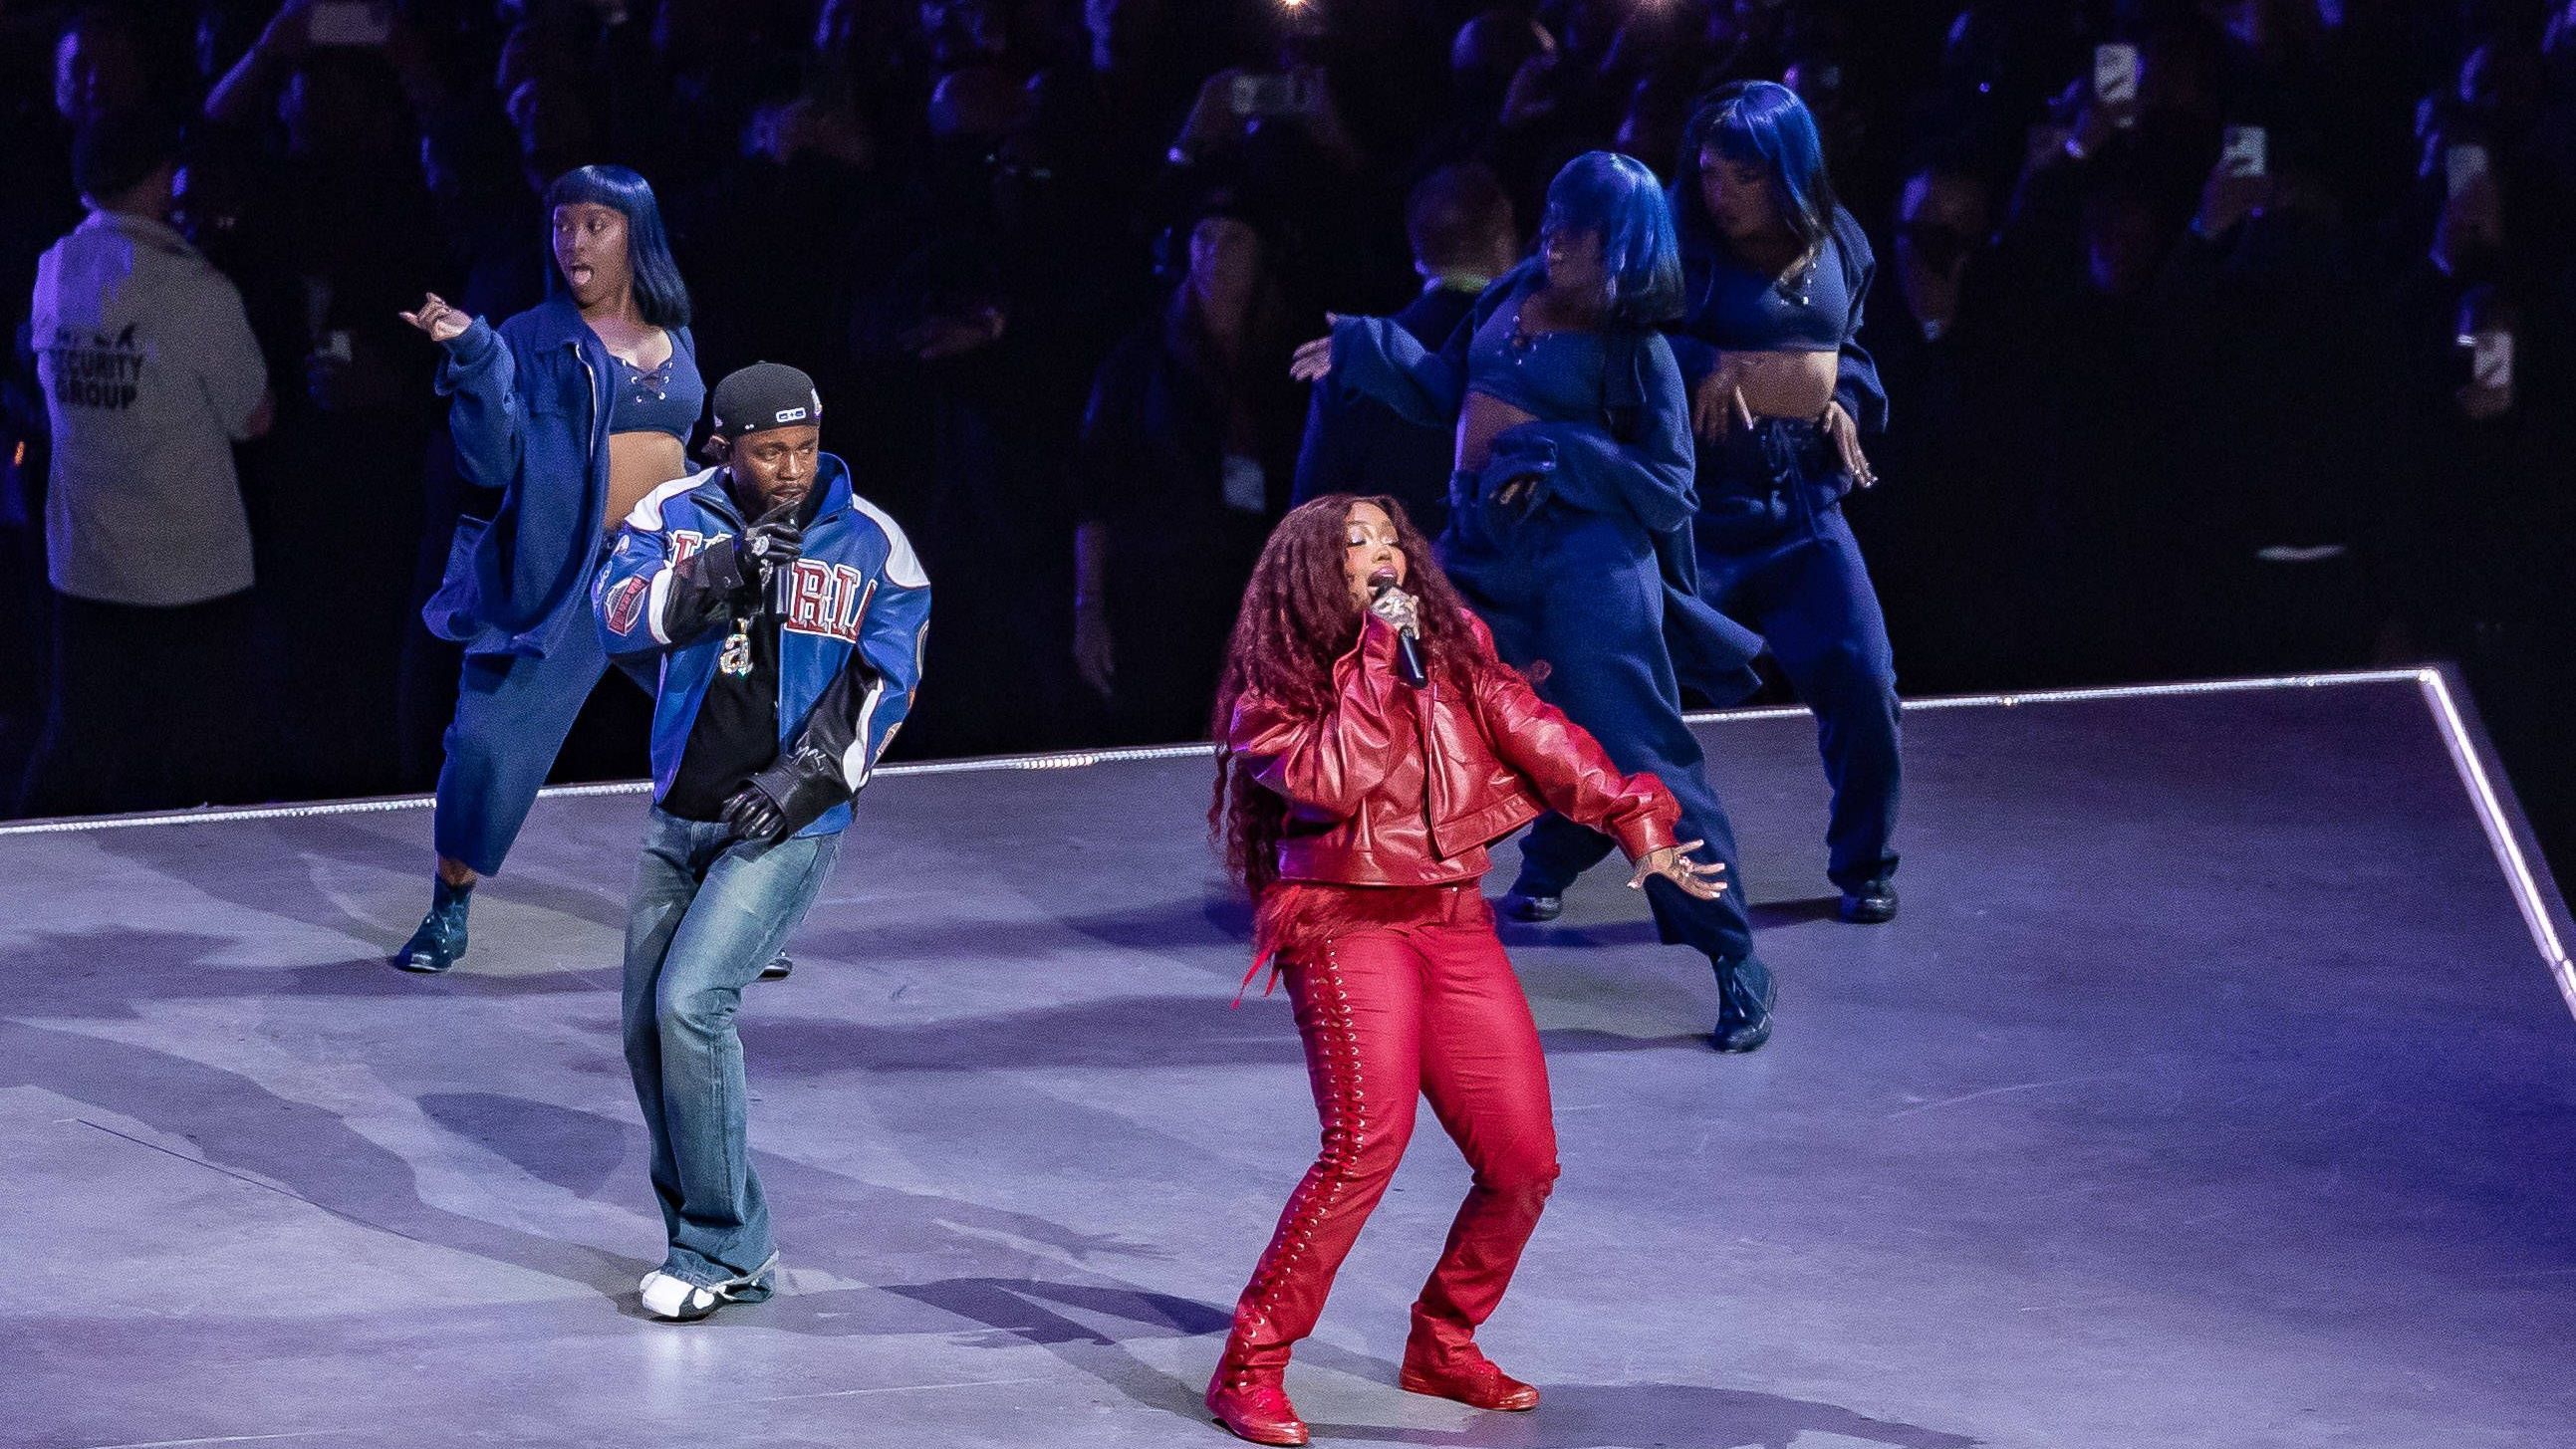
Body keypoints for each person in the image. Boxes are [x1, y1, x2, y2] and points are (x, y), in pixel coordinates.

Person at [1203, 495, 1722, 1446]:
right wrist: (1370, 661)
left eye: (1391, 539)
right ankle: (1250, 1363)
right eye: (1357, 544)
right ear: (1316, 571)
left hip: (1452, 920)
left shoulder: (1449, 646)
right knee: (1365, 1143)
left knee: (1524, 1160)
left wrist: (1635, 818)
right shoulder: (1274, 688)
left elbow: (1536, 730)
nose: (1382, 556)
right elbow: (1333, 778)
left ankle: (1443, 1337)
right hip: (1347, 919)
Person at [1292, 150, 1777, 1053]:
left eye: (1580, 230)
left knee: (1641, 764)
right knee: (1408, 721)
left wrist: (1560, 450)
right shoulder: (1514, 288)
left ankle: (1732, 953)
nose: (1556, 236)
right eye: (1552, 216)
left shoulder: (1636, 350)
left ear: (1622, 247)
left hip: (1585, 573)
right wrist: (1365, 345)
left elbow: (1670, 488)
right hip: (1484, 556)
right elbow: (1446, 391)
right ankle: (1379, 947)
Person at [594, 362, 930, 1320]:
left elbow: (890, 679)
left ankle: (719, 1249)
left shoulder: (872, 541)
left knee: (692, 1005)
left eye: (804, 447)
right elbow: (617, 614)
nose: (790, 469)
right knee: (645, 1029)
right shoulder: (675, 513)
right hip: (681, 815)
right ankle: (709, 1235)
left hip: (791, 820)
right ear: (723, 448)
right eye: (767, 451)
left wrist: (803, 780)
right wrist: (723, 568)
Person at [390, 165, 708, 976]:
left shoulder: (679, 333)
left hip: (659, 573)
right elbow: (493, 462)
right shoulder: (529, 338)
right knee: (490, 748)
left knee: (725, 725)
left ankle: (726, 916)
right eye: (563, 224)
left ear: (635, 234)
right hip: (561, 579)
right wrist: (472, 356)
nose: (574, 241)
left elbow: (677, 441)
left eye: (594, 225)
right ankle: (448, 907)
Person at [1642, 80, 1904, 924]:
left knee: (1865, 678)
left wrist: (1842, 400)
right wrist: (1707, 365)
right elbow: (1619, 344)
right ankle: (1547, 862)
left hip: (1801, 510)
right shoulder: (1675, 246)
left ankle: (1865, 861)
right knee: (1623, 697)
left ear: (1788, 173)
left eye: (1743, 178)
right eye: (1711, 175)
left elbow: (1853, 354)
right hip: (1697, 520)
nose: (1722, 195)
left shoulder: (1840, 242)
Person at [18, 112, 275, 818]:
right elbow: (254, 417)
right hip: (190, 573)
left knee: (80, 753)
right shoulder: (194, 290)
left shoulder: (53, 269)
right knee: (209, 765)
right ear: (163, 177)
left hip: (87, 563)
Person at [1073, 195, 1303, 745]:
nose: (1217, 254)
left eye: (1235, 240)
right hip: (1155, 600)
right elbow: (1093, 490)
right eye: (1205, 238)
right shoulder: (1139, 361)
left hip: (1251, 595)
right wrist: (1089, 606)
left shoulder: (1284, 359)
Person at [1291, 162, 1520, 536]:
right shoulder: (1541, 358)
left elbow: (1312, 521)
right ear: (1505, 236)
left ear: (1417, 254)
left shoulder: (1349, 359)